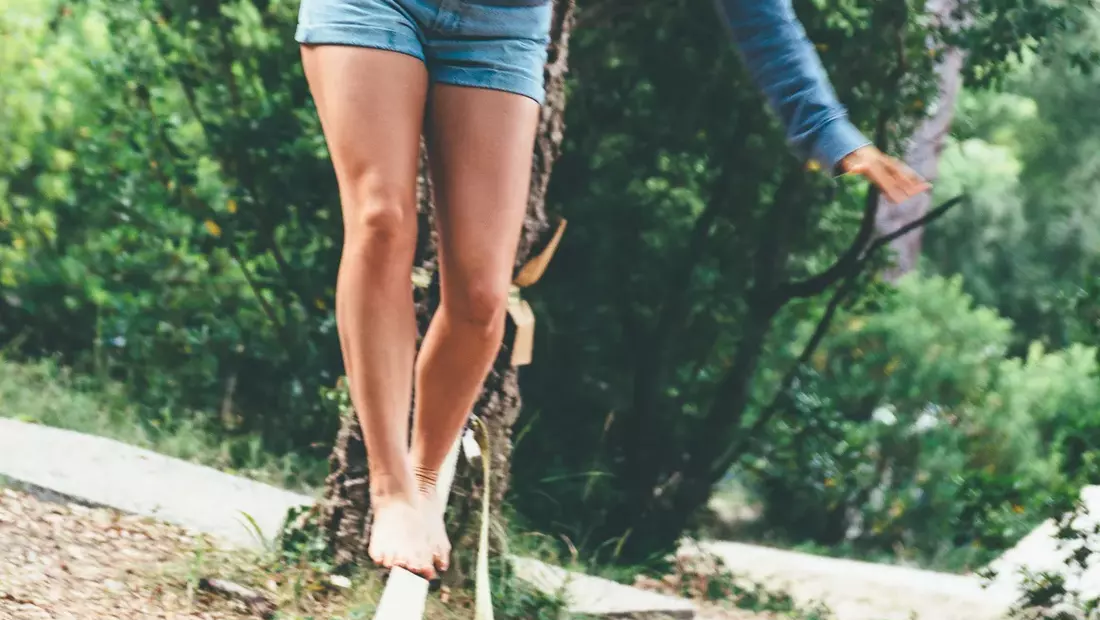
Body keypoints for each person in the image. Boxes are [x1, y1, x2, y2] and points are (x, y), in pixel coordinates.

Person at [295, 0, 929, 579]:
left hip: (500, 30)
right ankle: (393, 488)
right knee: (381, 220)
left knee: (483, 295)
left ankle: (427, 475)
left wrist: (827, 128)